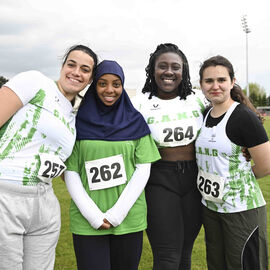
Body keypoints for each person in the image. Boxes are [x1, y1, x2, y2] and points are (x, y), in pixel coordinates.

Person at [0, 44, 98, 270]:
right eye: (71, 64)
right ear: (62, 66)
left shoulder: (74, 116)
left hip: (45, 201)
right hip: (7, 194)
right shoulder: (35, 82)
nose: (76, 72)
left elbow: (62, 166)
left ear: (90, 79)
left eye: (85, 69)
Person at [64, 60, 160, 270]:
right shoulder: (77, 123)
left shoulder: (136, 122)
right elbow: (71, 172)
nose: (110, 90)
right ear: (94, 86)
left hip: (128, 219)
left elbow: (143, 169)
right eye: (102, 83)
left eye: (116, 84)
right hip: (87, 221)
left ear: (122, 86)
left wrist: (117, 213)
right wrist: (93, 215)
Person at [132, 43, 208, 270]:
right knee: (166, 255)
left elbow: (226, 116)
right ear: (152, 70)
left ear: (183, 71)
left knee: (185, 252)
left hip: (195, 180)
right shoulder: (138, 103)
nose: (169, 71)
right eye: (162, 66)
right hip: (159, 180)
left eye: (175, 67)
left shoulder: (198, 99)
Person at [196, 55, 270, 270]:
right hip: (210, 207)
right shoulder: (204, 114)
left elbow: (265, 165)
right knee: (216, 264)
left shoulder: (243, 117)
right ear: (201, 85)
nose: (215, 86)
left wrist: (237, 178)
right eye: (209, 81)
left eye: (221, 80)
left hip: (240, 209)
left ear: (232, 81)